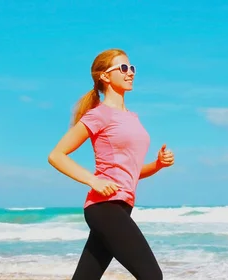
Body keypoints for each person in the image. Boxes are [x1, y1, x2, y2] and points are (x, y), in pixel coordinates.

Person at [47, 48, 174, 280]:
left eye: (132, 68)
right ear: (105, 76)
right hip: (104, 207)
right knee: (152, 276)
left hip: (122, 206)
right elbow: (57, 155)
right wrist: (93, 180)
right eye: (123, 68)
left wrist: (157, 165)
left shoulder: (132, 117)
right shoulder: (98, 115)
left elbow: (131, 171)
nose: (130, 73)